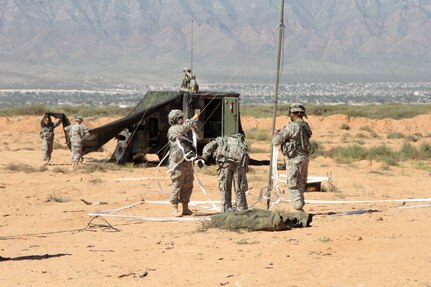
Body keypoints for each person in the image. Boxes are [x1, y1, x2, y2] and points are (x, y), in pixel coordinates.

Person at [272, 103, 312, 212]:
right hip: (304, 158)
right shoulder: (305, 126)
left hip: (293, 159)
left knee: (292, 185)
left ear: (292, 113)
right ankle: (300, 205)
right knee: (301, 184)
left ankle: (298, 206)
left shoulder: (291, 126)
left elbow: (276, 141)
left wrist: (276, 134)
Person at [201, 133, 249, 212]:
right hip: (239, 165)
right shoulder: (241, 142)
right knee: (239, 187)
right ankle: (242, 208)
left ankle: (225, 208)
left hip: (225, 164)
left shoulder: (221, 139)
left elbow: (209, 146)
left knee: (225, 186)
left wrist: (204, 157)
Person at [167, 109, 202, 217]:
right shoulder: (173, 129)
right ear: (174, 119)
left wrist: (195, 128)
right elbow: (182, 129)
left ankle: (185, 208)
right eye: (179, 118)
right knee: (177, 184)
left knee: (188, 184)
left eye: (182, 117)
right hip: (177, 163)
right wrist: (193, 118)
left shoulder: (185, 130)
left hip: (187, 162)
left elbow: (199, 137)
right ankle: (174, 208)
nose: (182, 120)